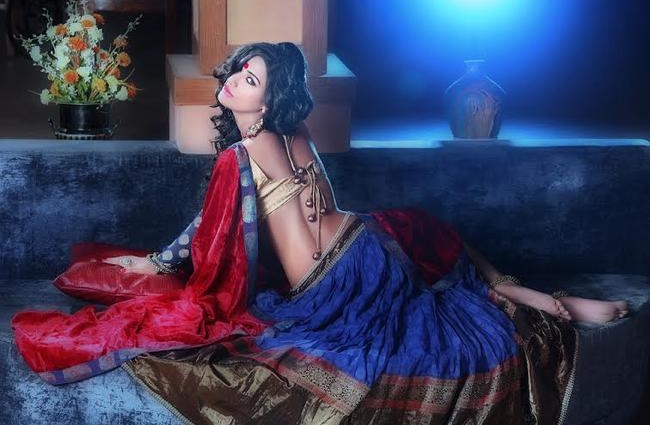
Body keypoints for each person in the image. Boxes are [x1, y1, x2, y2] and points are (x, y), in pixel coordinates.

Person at [13, 42, 628, 424]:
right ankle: (535, 296)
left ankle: (530, 298)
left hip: (337, 279)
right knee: (433, 244)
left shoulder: (245, 151)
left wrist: (154, 263)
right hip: (365, 244)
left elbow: (207, 232)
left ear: (265, 102)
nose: (234, 82)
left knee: (425, 278)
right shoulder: (295, 130)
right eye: (240, 72)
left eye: (251, 81)